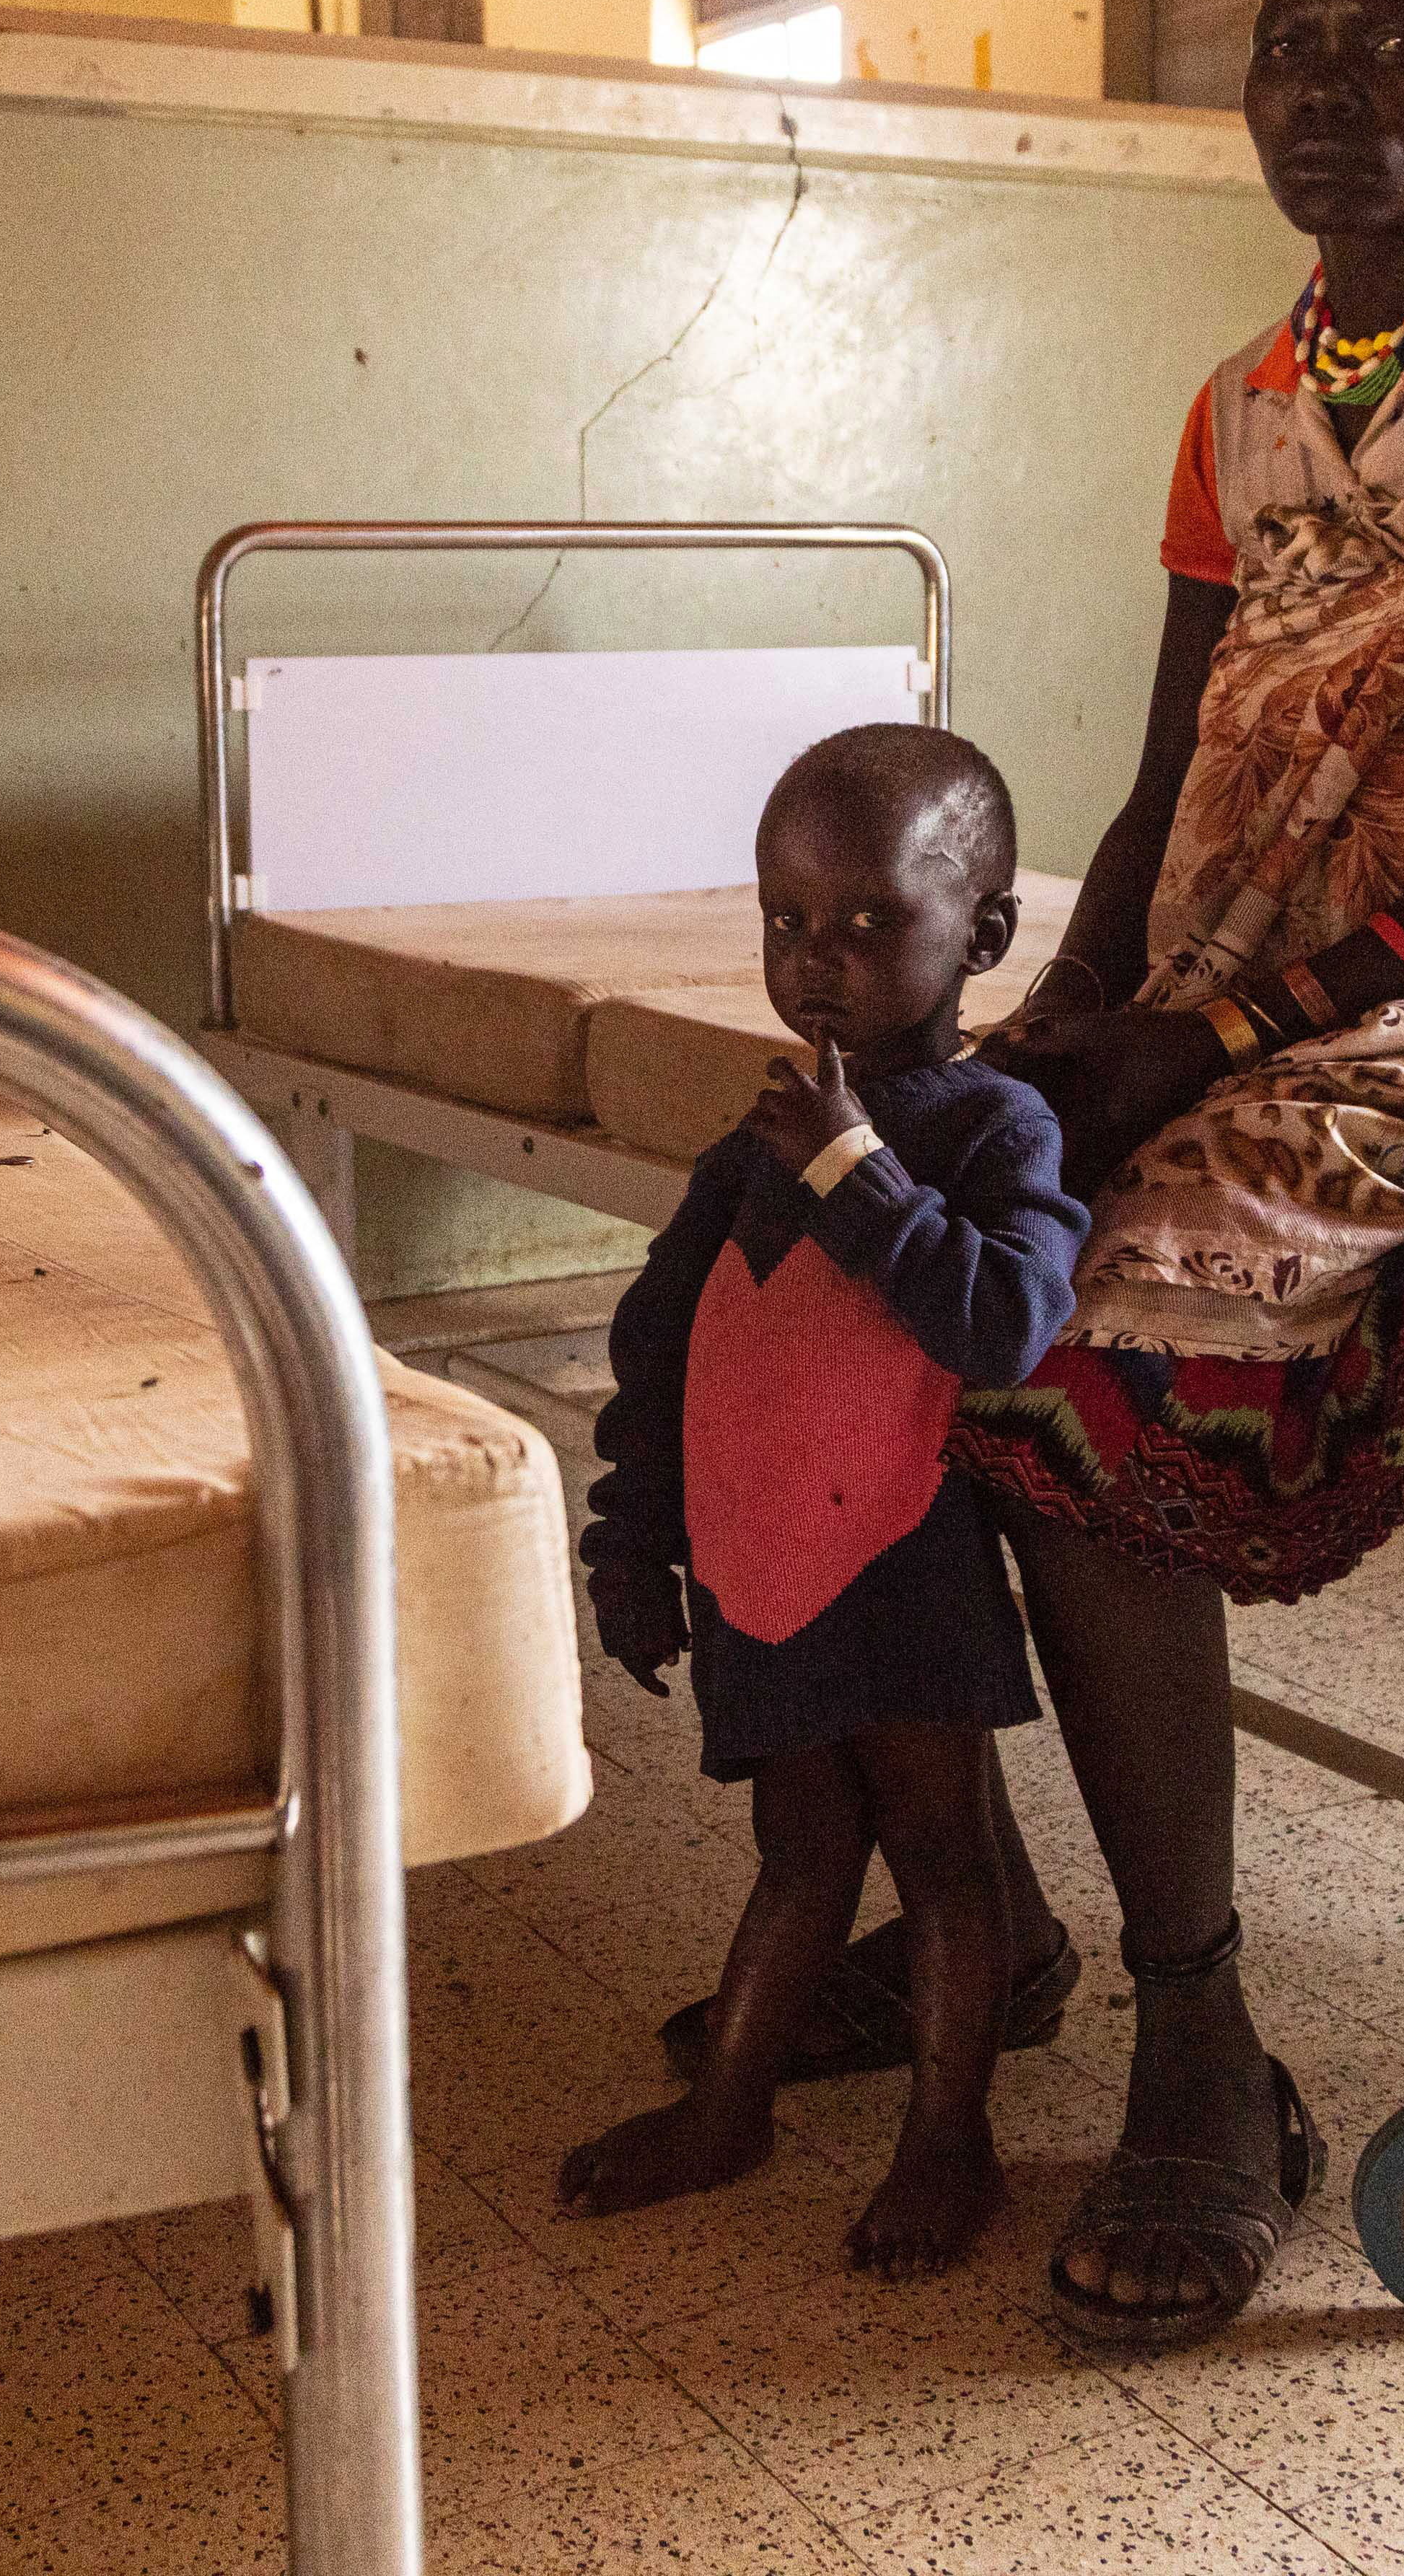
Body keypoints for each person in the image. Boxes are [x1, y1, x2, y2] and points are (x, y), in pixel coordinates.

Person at [678, 0, 1404, 2346]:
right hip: (1250, 943)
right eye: (1295, 47)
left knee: (1083, 1336)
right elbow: (1180, 776)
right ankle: (980, 1898)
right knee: (929, 1213)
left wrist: (1232, 1038)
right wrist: (1040, 1032)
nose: (1337, 93)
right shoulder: (1242, 401)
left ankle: (1203, 2040)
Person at [559, 724, 1092, 2278]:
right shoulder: (753, 1141)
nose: (820, 958)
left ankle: (952, 2138)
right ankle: (731, 2106)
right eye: (788, 919)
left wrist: (858, 1170)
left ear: (981, 936)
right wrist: (632, 1545)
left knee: (941, 1855)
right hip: (759, 1564)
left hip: (898, 1566)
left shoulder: (997, 1129)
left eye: (871, 922)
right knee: (800, 1854)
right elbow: (666, 1347)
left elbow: (1003, 1318)